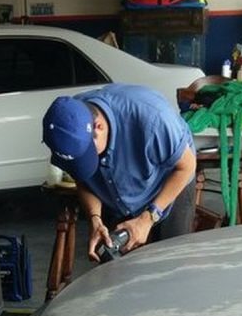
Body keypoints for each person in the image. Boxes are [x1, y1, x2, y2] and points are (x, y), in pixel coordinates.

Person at [42, 83, 197, 261]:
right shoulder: (69, 125)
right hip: (116, 193)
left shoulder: (153, 118)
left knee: (171, 265)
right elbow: (83, 178)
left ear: (98, 127)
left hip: (168, 183)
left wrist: (148, 218)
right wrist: (95, 218)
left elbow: (186, 166)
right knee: (116, 268)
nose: (84, 160)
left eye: (88, 154)